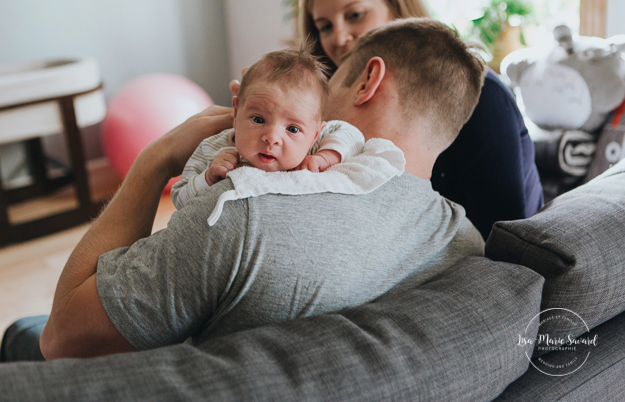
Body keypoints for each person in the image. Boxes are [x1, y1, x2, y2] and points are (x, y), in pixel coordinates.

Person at [38, 18, 486, 359]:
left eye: (332, 78)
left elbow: (61, 338)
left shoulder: (238, 206)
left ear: (368, 80)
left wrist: (156, 160)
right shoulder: (465, 243)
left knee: (21, 334)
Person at [301, 0, 544, 239]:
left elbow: (501, 236)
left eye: (355, 15)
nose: (338, 37)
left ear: (396, 5)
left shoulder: (481, 97)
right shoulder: (337, 110)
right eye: (324, 26)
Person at [171, 44, 365, 210]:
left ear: (314, 135)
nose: (272, 138)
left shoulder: (310, 151)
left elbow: (354, 136)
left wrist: (324, 158)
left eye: (293, 129)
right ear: (237, 112)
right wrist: (208, 178)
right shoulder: (212, 149)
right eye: (258, 119)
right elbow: (180, 199)